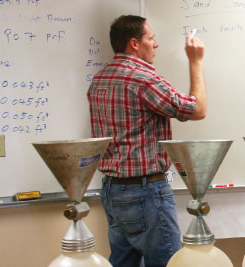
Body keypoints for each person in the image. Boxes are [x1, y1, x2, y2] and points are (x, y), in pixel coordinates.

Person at [87, 15, 207, 267]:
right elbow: (197, 110)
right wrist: (195, 62)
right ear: (134, 43)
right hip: (145, 191)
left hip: (112, 190)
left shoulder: (100, 79)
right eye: (151, 38)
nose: (156, 44)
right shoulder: (142, 79)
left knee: (123, 262)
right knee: (168, 263)